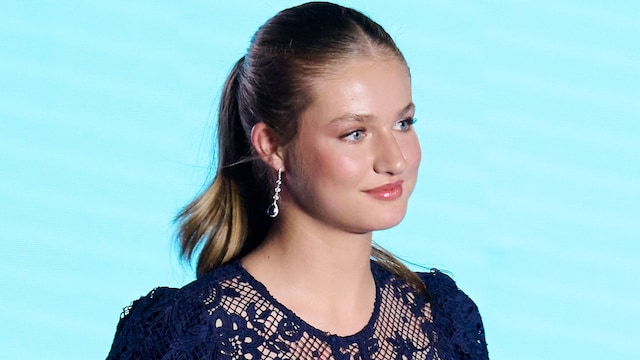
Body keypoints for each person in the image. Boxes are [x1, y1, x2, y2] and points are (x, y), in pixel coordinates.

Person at [107, 2, 488, 359]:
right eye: (355, 133)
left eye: (403, 123)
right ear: (272, 146)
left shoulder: (442, 320)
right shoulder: (184, 336)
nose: (396, 159)